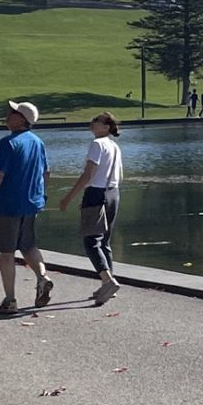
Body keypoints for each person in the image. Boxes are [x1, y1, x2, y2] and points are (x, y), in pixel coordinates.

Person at [0, 101, 52, 316]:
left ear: (22, 119)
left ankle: (10, 300)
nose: (8, 115)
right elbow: (46, 173)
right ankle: (43, 277)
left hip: (8, 205)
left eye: (12, 112)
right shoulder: (37, 142)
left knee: (6, 253)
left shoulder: (7, 143)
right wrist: (41, 196)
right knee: (28, 246)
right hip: (31, 204)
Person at [74, 112, 124, 305]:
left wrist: (70, 196)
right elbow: (118, 175)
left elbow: (89, 174)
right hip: (113, 192)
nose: (92, 122)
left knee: (91, 241)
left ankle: (108, 281)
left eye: (97, 121)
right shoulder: (114, 146)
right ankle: (108, 284)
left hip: (97, 192)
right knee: (105, 241)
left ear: (106, 127)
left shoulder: (97, 144)